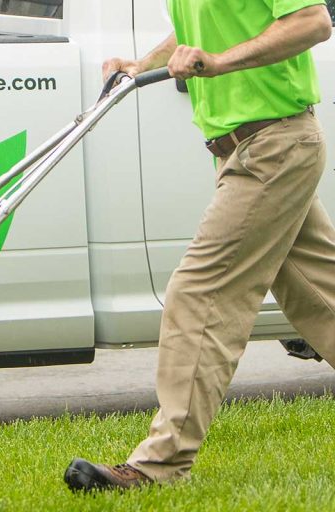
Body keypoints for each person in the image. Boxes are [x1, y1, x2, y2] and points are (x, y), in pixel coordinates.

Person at [64, 1, 335, 491]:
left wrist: (219, 61)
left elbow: (313, 22)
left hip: (274, 147)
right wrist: (141, 63)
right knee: (322, 296)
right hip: (246, 149)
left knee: (199, 294)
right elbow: (194, 33)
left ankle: (159, 464)